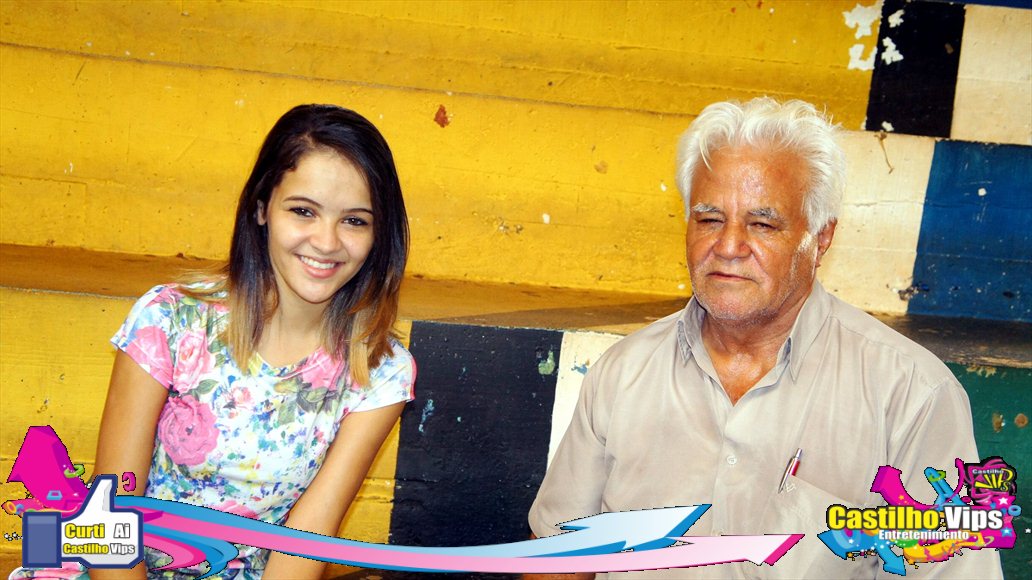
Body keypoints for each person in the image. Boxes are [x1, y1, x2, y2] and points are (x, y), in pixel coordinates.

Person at [527, 98, 1002, 579]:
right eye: (709, 219)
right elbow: (560, 559)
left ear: (821, 238)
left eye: (762, 224)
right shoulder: (623, 373)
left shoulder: (911, 395)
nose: (728, 246)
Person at [13, 104, 416, 580]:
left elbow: (306, 541)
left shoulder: (381, 369)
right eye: (303, 211)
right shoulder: (171, 319)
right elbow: (110, 515)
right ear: (262, 208)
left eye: (355, 221)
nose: (326, 242)